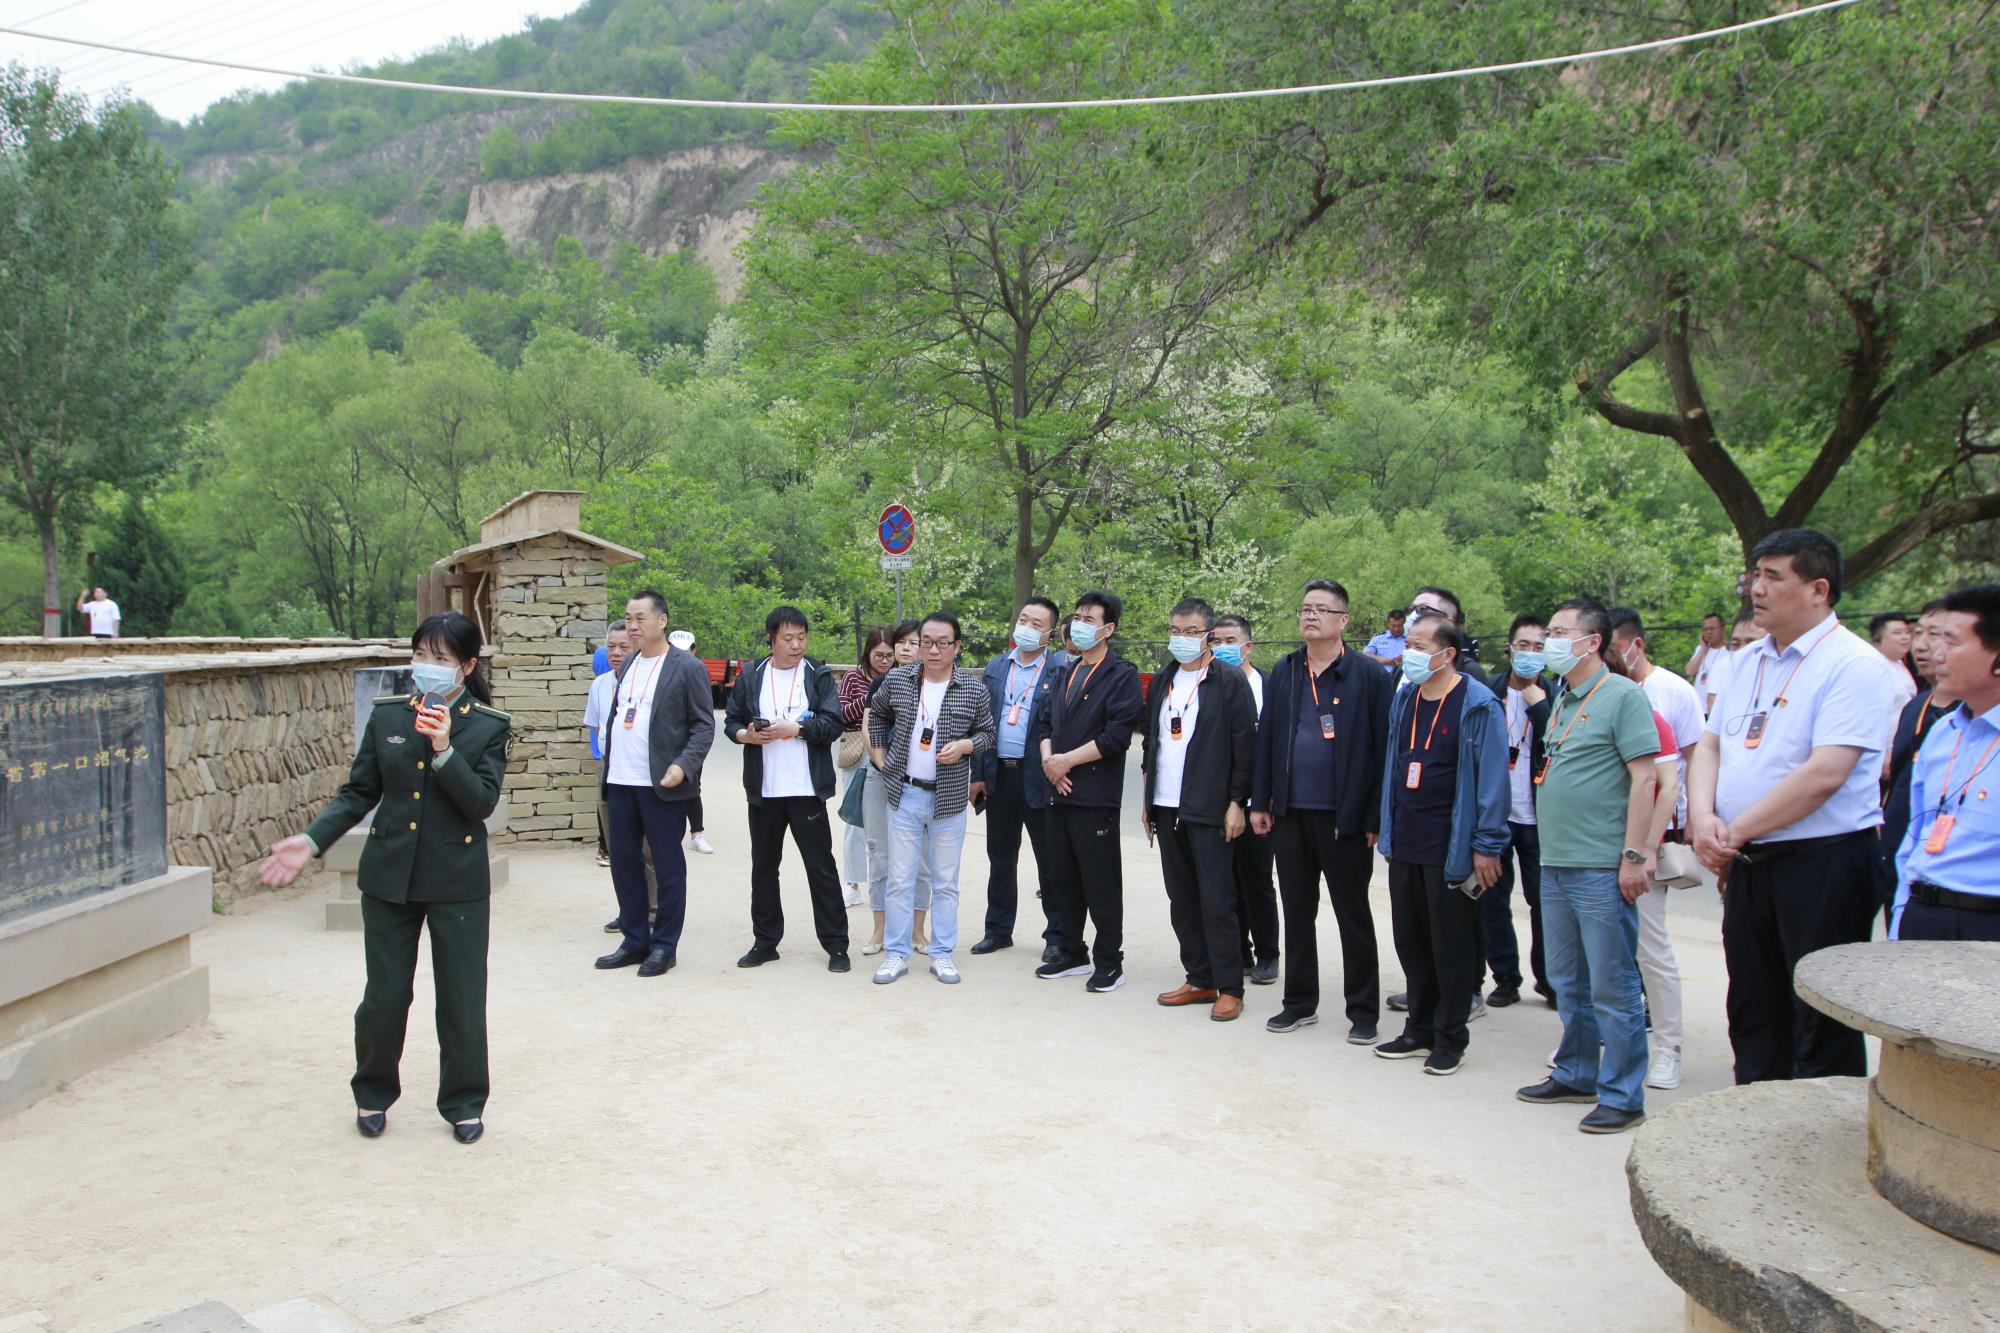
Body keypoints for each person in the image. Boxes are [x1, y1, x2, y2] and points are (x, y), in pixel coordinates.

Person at [256, 611, 510, 1145]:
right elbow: (358, 793)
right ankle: (372, 1091)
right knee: (385, 997)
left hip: (457, 883)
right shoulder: (390, 715)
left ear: (466, 667)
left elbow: (481, 803)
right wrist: (312, 840)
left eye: (440, 658)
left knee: (462, 1000)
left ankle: (464, 1101)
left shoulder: (488, 726)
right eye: (420, 655)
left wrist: (444, 750)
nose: (426, 666)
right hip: (390, 877)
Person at [1687, 529, 1897, 1084]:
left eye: (1773, 577)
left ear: (1818, 589)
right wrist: (1702, 817)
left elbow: (1825, 774)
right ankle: (1758, 1117)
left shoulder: (1853, 664)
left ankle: (1821, 1131)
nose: (1756, 589)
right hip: (1750, 860)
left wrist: (1732, 831)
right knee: (1754, 1009)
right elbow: (1711, 745)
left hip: (1822, 863)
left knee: (1821, 1019)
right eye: (1754, 575)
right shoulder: (1745, 661)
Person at [1513, 598, 1660, 1135]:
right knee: (1567, 980)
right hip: (1556, 861)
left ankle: (1623, 1095)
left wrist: (1634, 855)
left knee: (1613, 986)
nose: (1548, 643)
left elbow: (1646, 779)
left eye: (1558, 633)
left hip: (1600, 865)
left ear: (1593, 641)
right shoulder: (1562, 698)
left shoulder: (1622, 696)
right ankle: (1577, 1072)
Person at [1251, 579, 1394, 1043]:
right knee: (1297, 911)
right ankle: (1298, 1003)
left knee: (1353, 915)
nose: (1310, 615)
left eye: (1322, 609)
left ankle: (1363, 1011)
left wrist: (1373, 816)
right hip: (1290, 813)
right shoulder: (1286, 669)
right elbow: (1267, 739)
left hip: (1344, 818)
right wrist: (1262, 801)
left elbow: (1383, 750)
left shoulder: (1368, 675)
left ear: (1343, 620)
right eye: (1306, 608)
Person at [1372, 612, 1508, 1075]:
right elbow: (1394, 763)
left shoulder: (1478, 704)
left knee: (1450, 947)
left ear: (1448, 654)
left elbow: (1492, 781)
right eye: (1407, 644)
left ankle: (1450, 1038)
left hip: (1451, 845)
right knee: (1411, 942)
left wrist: (1487, 844)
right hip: (1406, 839)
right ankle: (1419, 1028)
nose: (1408, 654)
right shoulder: (1406, 696)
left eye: (1419, 646)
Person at [1141, 598, 1258, 1021]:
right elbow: (1151, 742)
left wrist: (1237, 802)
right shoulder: (1164, 679)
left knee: (1217, 899)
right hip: (1166, 804)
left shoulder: (1228, 681)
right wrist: (1148, 799)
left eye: (1191, 632)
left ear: (1208, 635)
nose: (1182, 638)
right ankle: (1200, 977)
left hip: (1210, 807)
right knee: (1182, 898)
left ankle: (1230, 987)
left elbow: (1245, 746)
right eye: (1175, 630)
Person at [866, 611, 996, 984]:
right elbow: (877, 715)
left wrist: (965, 746)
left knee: (945, 881)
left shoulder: (973, 689)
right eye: (927, 642)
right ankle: (896, 953)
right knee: (900, 879)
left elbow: (988, 733)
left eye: (942, 643)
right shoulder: (900, 679)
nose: (933, 650)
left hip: (948, 799)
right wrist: (881, 758)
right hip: (904, 793)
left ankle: (942, 953)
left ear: (957, 646)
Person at [593, 592, 715, 978]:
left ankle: (664, 945)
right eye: (628, 618)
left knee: (666, 866)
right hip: (620, 782)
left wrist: (683, 765)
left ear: (661, 621)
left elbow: (703, 726)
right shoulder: (629, 662)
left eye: (640, 618)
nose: (632, 626)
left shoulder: (686, 667)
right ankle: (634, 939)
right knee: (624, 863)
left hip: (661, 784)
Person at [725, 605, 852, 973]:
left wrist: (796, 729)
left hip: (805, 788)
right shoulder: (752, 675)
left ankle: (836, 945)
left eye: (802, 637)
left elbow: (834, 724)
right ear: (772, 640)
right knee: (764, 868)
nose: (797, 645)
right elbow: (731, 721)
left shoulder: (818, 675)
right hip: (764, 790)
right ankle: (765, 942)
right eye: (788, 638)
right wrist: (746, 735)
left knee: (821, 867)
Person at [1608, 609, 1704, 1091]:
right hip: (1591, 851)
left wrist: (1646, 849)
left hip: (1640, 851)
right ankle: (1609, 1041)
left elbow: (1669, 784)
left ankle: (1668, 1048)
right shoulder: (1579, 710)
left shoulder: (1656, 710)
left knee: (1650, 949)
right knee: (1601, 954)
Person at [1031, 590, 1144, 992]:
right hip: (1057, 790)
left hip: (1094, 795)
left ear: (1108, 629)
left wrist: (1067, 761)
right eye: (1076, 617)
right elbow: (1045, 724)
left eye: (1088, 619)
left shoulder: (1122, 675)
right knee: (1061, 878)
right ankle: (1072, 951)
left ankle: (1110, 961)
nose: (1078, 625)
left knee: (1100, 882)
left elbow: (1116, 737)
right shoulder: (1066, 670)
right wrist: (1051, 762)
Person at [1892, 584, 2000, 941]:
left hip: (1987, 923)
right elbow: (1914, 838)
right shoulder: (1944, 732)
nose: (1937, 655)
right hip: (1923, 913)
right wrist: (1900, 919)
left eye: (1951, 642)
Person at [969, 597, 1068, 958]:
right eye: (1023, 619)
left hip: (1039, 778)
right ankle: (998, 930)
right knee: (1000, 858)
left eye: (1036, 624)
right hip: (1000, 776)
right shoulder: (997, 667)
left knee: (1050, 862)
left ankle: (1057, 936)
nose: (1026, 627)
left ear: (1050, 633)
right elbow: (980, 722)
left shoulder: (1059, 670)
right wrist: (978, 773)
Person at [1482, 614, 1554, 1008]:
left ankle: (1550, 980)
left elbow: (1560, 746)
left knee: (1544, 902)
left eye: (1539, 647)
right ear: (1510, 649)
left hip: (1540, 817)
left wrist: (1540, 709)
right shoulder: (1488, 691)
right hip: (1497, 816)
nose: (1529, 653)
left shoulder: (1556, 695)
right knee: (1493, 899)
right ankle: (1505, 977)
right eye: (1523, 645)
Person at [1879, 601, 1959, 922]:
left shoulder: (1975, 714)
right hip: (1897, 850)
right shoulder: (1915, 705)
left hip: (1944, 872)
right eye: (1918, 633)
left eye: (1936, 635)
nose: (1921, 645)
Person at [1211, 613, 1279, 984]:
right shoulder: (1208, 684)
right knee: (1225, 882)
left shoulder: (1270, 687)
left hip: (1257, 804)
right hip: (1217, 801)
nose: (1222, 648)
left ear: (1248, 646)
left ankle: (1268, 953)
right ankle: (1239, 952)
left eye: (1230, 641)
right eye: (1216, 641)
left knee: (1257, 881)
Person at [862, 621, 932, 954]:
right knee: (880, 855)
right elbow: (868, 726)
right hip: (881, 778)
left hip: (921, 782)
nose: (905, 648)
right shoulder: (882, 682)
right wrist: (882, 764)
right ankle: (880, 929)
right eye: (901, 642)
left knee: (922, 860)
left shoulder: (934, 685)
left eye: (913, 642)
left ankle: (917, 930)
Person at [839, 627, 895, 908]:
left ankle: (886, 880)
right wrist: (872, 697)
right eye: (878, 655)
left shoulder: (901, 677)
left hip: (889, 752)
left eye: (889, 655)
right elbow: (841, 714)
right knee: (855, 821)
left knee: (889, 822)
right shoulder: (853, 677)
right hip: (857, 751)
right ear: (868, 653)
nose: (884, 661)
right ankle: (852, 883)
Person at [586, 620, 632, 872]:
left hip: (636, 764)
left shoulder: (644, 682)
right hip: (607, 763)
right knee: (607, 813)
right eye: (611, 647)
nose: (616, 653)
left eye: (623, 647)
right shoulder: (599, 684)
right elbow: (596, 726)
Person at [667, 628, 716, 856]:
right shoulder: (659, 672)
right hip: (665, 742)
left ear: (694, 651)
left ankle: (697, 834)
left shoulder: (697, 672)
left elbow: (704, 718)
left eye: (685, 651)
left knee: (692, 787)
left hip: (691, 743)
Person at [1686, 613, 1727, 692]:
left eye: (1712, 629)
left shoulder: (1730, 651)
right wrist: (1703, 649)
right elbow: (1689, 671)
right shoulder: (1700, 649)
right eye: (1705, 629)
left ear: (1722, 629)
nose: (1708, 632)